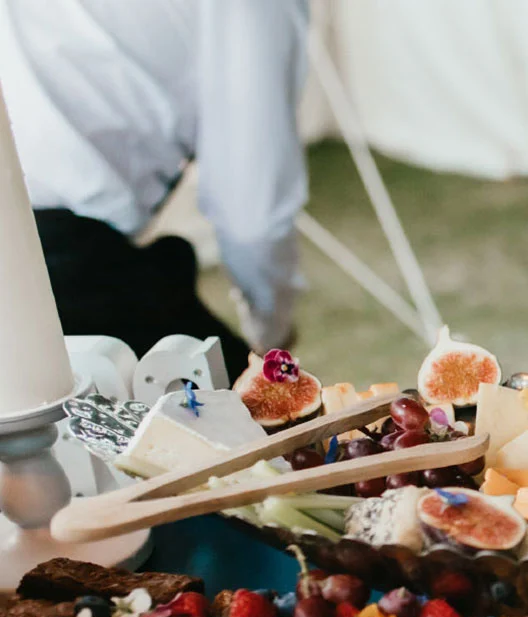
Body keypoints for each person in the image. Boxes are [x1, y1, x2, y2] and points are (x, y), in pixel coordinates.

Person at [0, 0, 310, 383]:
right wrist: (271, 332)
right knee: (266, 432)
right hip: (63, 261)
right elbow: (252, 214)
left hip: (54, 244)